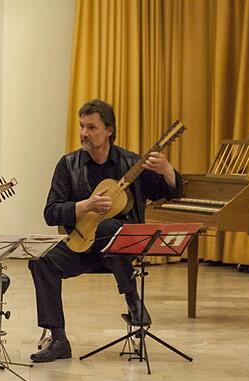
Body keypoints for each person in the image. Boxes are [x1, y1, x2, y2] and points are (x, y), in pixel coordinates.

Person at [29, 99, 184, 363]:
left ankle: (133, 300)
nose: (84, 133)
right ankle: (58, 339)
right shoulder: (68, 165)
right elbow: (50, 212)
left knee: (109, 226)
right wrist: (84, 206)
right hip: (83, 245)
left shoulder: (131, 163)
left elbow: (168, 192)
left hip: (121, 249)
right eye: (81, 127)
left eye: (92, 127)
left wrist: (168, 171)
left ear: (109, 130)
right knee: (41, 261)